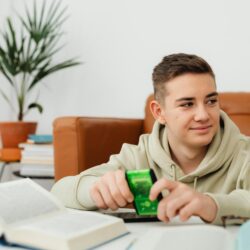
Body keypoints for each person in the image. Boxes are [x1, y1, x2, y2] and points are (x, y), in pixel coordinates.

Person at [51, 53, 250, 225]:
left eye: (211, 101)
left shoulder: (244, 154)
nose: (203, 115)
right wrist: (95, 189)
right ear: (159, 112)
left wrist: (210, 204)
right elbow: (58, 192)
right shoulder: (138, 156)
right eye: (187, 104)